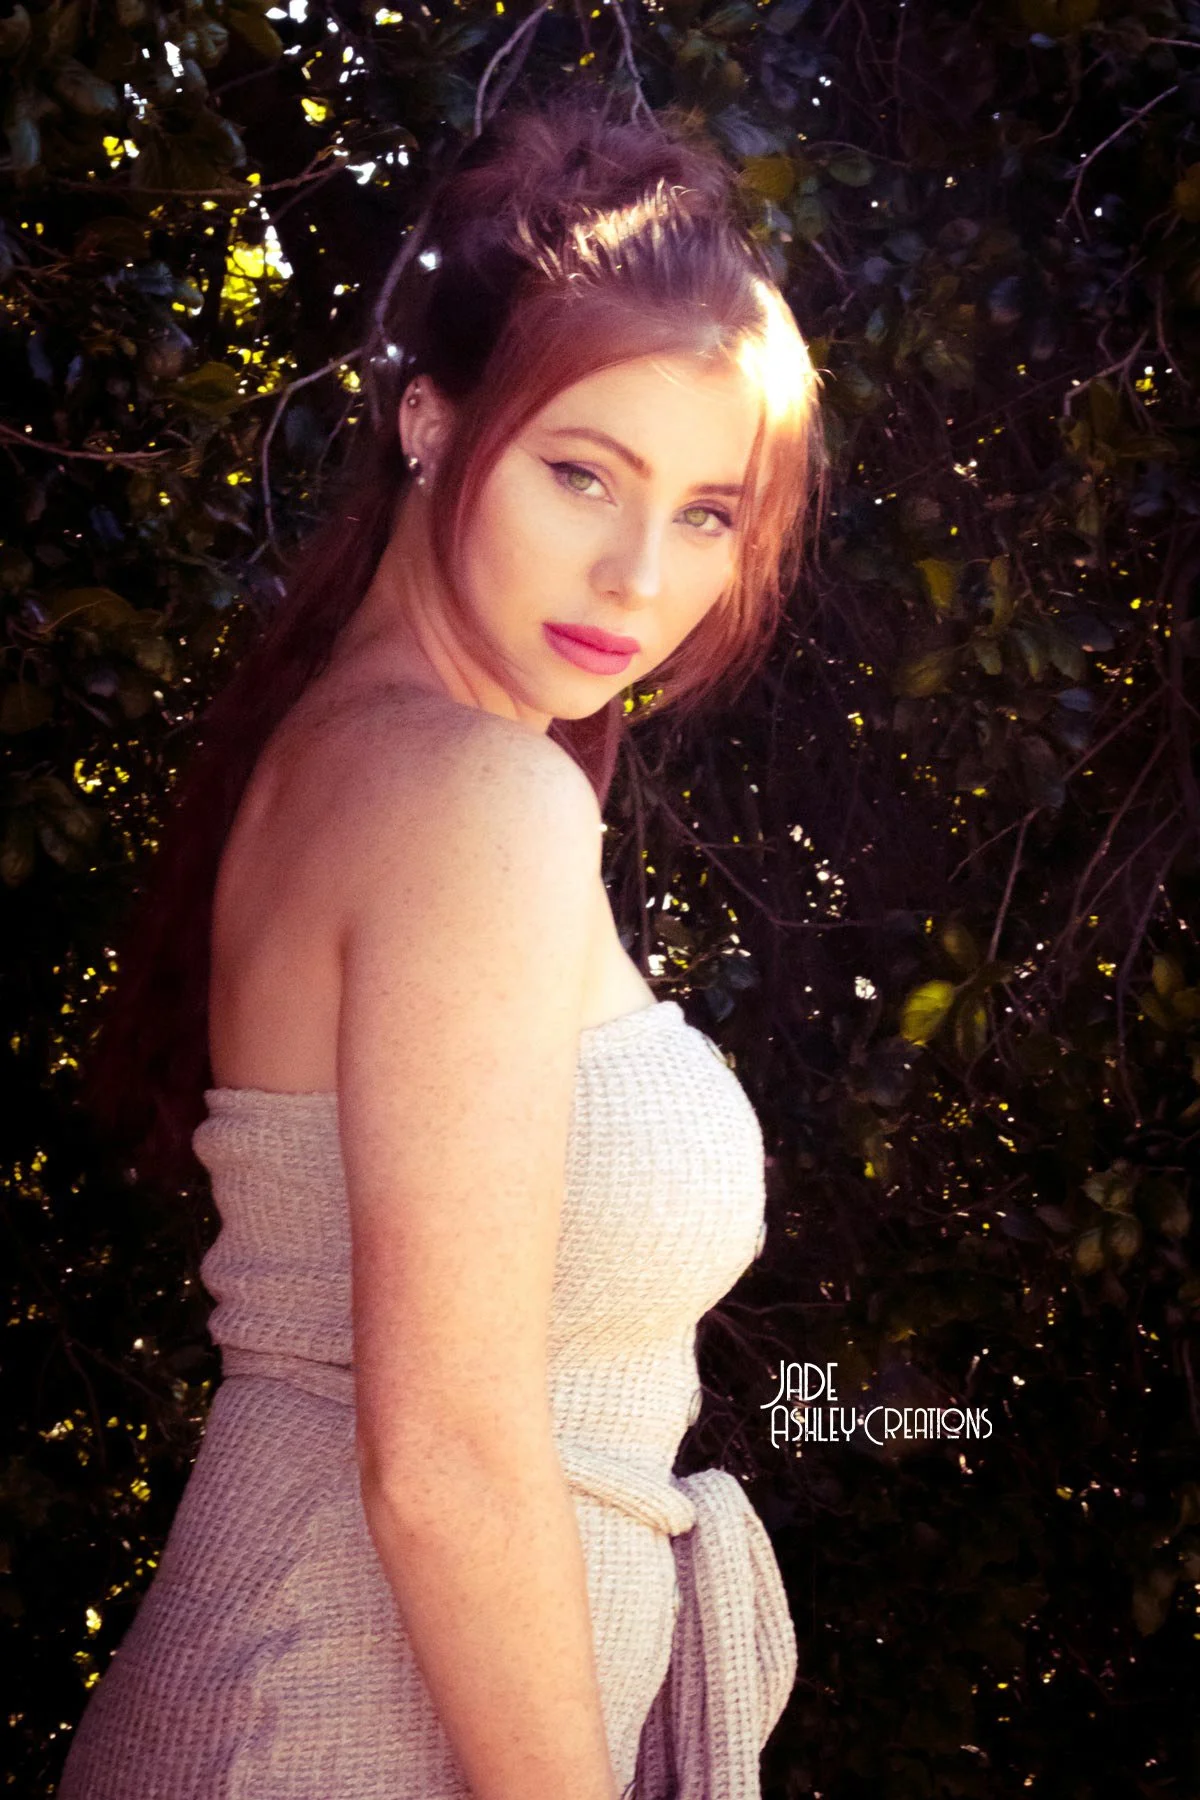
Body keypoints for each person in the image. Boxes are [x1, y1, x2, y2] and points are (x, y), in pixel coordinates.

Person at [58, 88, 826, 1800]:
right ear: (430, 419)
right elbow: (453, 1460)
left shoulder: (372, 750)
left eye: (707, 511)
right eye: (581, 474)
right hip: (344, 1729)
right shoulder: (475, 797)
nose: (639, 574)